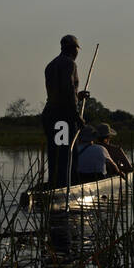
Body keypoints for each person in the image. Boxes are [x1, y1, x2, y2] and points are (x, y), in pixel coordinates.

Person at [41, 34, 90, 187]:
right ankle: (66, 187)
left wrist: (78, 96)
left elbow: (60, 92)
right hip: (63, 117)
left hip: (50, 115)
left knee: (55, 153)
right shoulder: (70, 64)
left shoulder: (50, 65)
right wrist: (77, 116)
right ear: (73, 49)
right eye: (77, 49)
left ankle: (55, 184)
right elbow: (68, 91)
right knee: (67, 154)